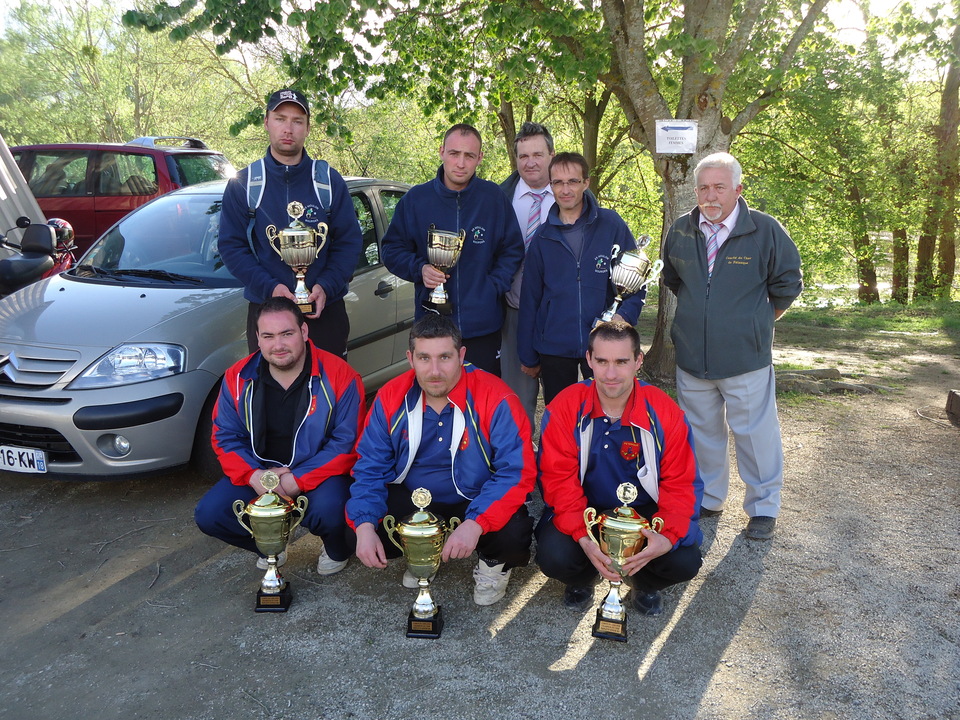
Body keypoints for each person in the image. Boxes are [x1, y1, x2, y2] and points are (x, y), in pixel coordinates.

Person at [346, 314, 535, 606]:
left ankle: (494, 564)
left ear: (461, 355)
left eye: (445, 357)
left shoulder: (497, 398)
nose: (434, 371)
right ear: (410, 358)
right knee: (360, 529)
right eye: (424, 358)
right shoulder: (390, 396)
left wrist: (475, 523)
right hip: (415, 499)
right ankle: (422, 553)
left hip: (473, 496)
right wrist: (364, 525)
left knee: (512, 532)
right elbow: (370, 466)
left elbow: (517, 472)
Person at [661, 152, 803, 540]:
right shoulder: (680, 230)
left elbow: (788, 282)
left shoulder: (765, 230)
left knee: (755, 435)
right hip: (693, 358)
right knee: (702, 432)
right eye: (704, 187)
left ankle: (763, 507)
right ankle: (709, 498)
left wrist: (755, 322)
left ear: (738, 190)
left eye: (719, 187)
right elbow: (675, 280)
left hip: (745, 358)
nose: (711, 196)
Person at [535, 321, 703, 615]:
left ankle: (643, 582)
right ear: (589, 360)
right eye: (602, 361)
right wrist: (583, 538)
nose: (610, 374)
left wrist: (668, 537)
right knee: (554, 555)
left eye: (621, 362)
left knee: (683, 561)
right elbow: (557, 480)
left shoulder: (665, 413)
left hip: (643, 513)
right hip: (584, 508)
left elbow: (682, 484)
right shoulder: (564, 407)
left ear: (638, 361)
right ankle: (583, 578)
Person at [195, 297, 365, 575]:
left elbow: (346, 444)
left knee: (331, 510)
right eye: (269, 336)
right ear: (258, 339)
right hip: (258, 472)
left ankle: (336, 548)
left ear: (304, 332)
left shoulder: (341, 376)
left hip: (317, 472)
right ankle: (269, 543)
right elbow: (225, 437)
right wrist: (253, 477)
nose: (278, 345)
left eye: (287, 333)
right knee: (210, 515)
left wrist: (296, 480)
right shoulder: (236, 378)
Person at [218, 88, 363, 357]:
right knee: (273, 396)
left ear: (308, 128)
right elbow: (231, 246)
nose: (288, 128)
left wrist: (326, 287)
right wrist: (270, 288)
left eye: (297, 121)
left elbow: (350, 242)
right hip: (267, 315)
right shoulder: (245, 184)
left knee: (330, 395)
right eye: (280, 118)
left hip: (325, 312)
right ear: (266, 122)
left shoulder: (329, 181)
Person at [381, 123, 524, 376]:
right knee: (436, 399)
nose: (461, 163)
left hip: (482, 327)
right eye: (454, 153)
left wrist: (492, 286)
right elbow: (392, 249)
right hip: (431, 326)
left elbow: (512, 249)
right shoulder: (415, 200)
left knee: (482, 405)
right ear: (441, 152)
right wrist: (420, 269)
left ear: (479, 158)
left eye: (469, 156)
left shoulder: (494, 198)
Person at [518, 152, 647, 405]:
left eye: (573, 181)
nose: (565, 190)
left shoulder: (611, 224)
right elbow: (530, 298)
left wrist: (624, 317)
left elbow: (636, 280)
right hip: (554, 346)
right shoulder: (542, 237)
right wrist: (528, 355)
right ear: (551, 185)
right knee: (559, 415)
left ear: (586, 183)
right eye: (558, 183)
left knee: (608, 413)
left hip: (605, 344)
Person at [499, 122, 555, 426]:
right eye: (523, 156)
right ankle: (519, 469)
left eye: (537, 154)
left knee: (563, 407)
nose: (530, 162)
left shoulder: (575, 198)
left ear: (551, 155)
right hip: (513, 314)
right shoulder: (497, 199)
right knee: (516, 407)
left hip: (559, 318)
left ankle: (559, 470)